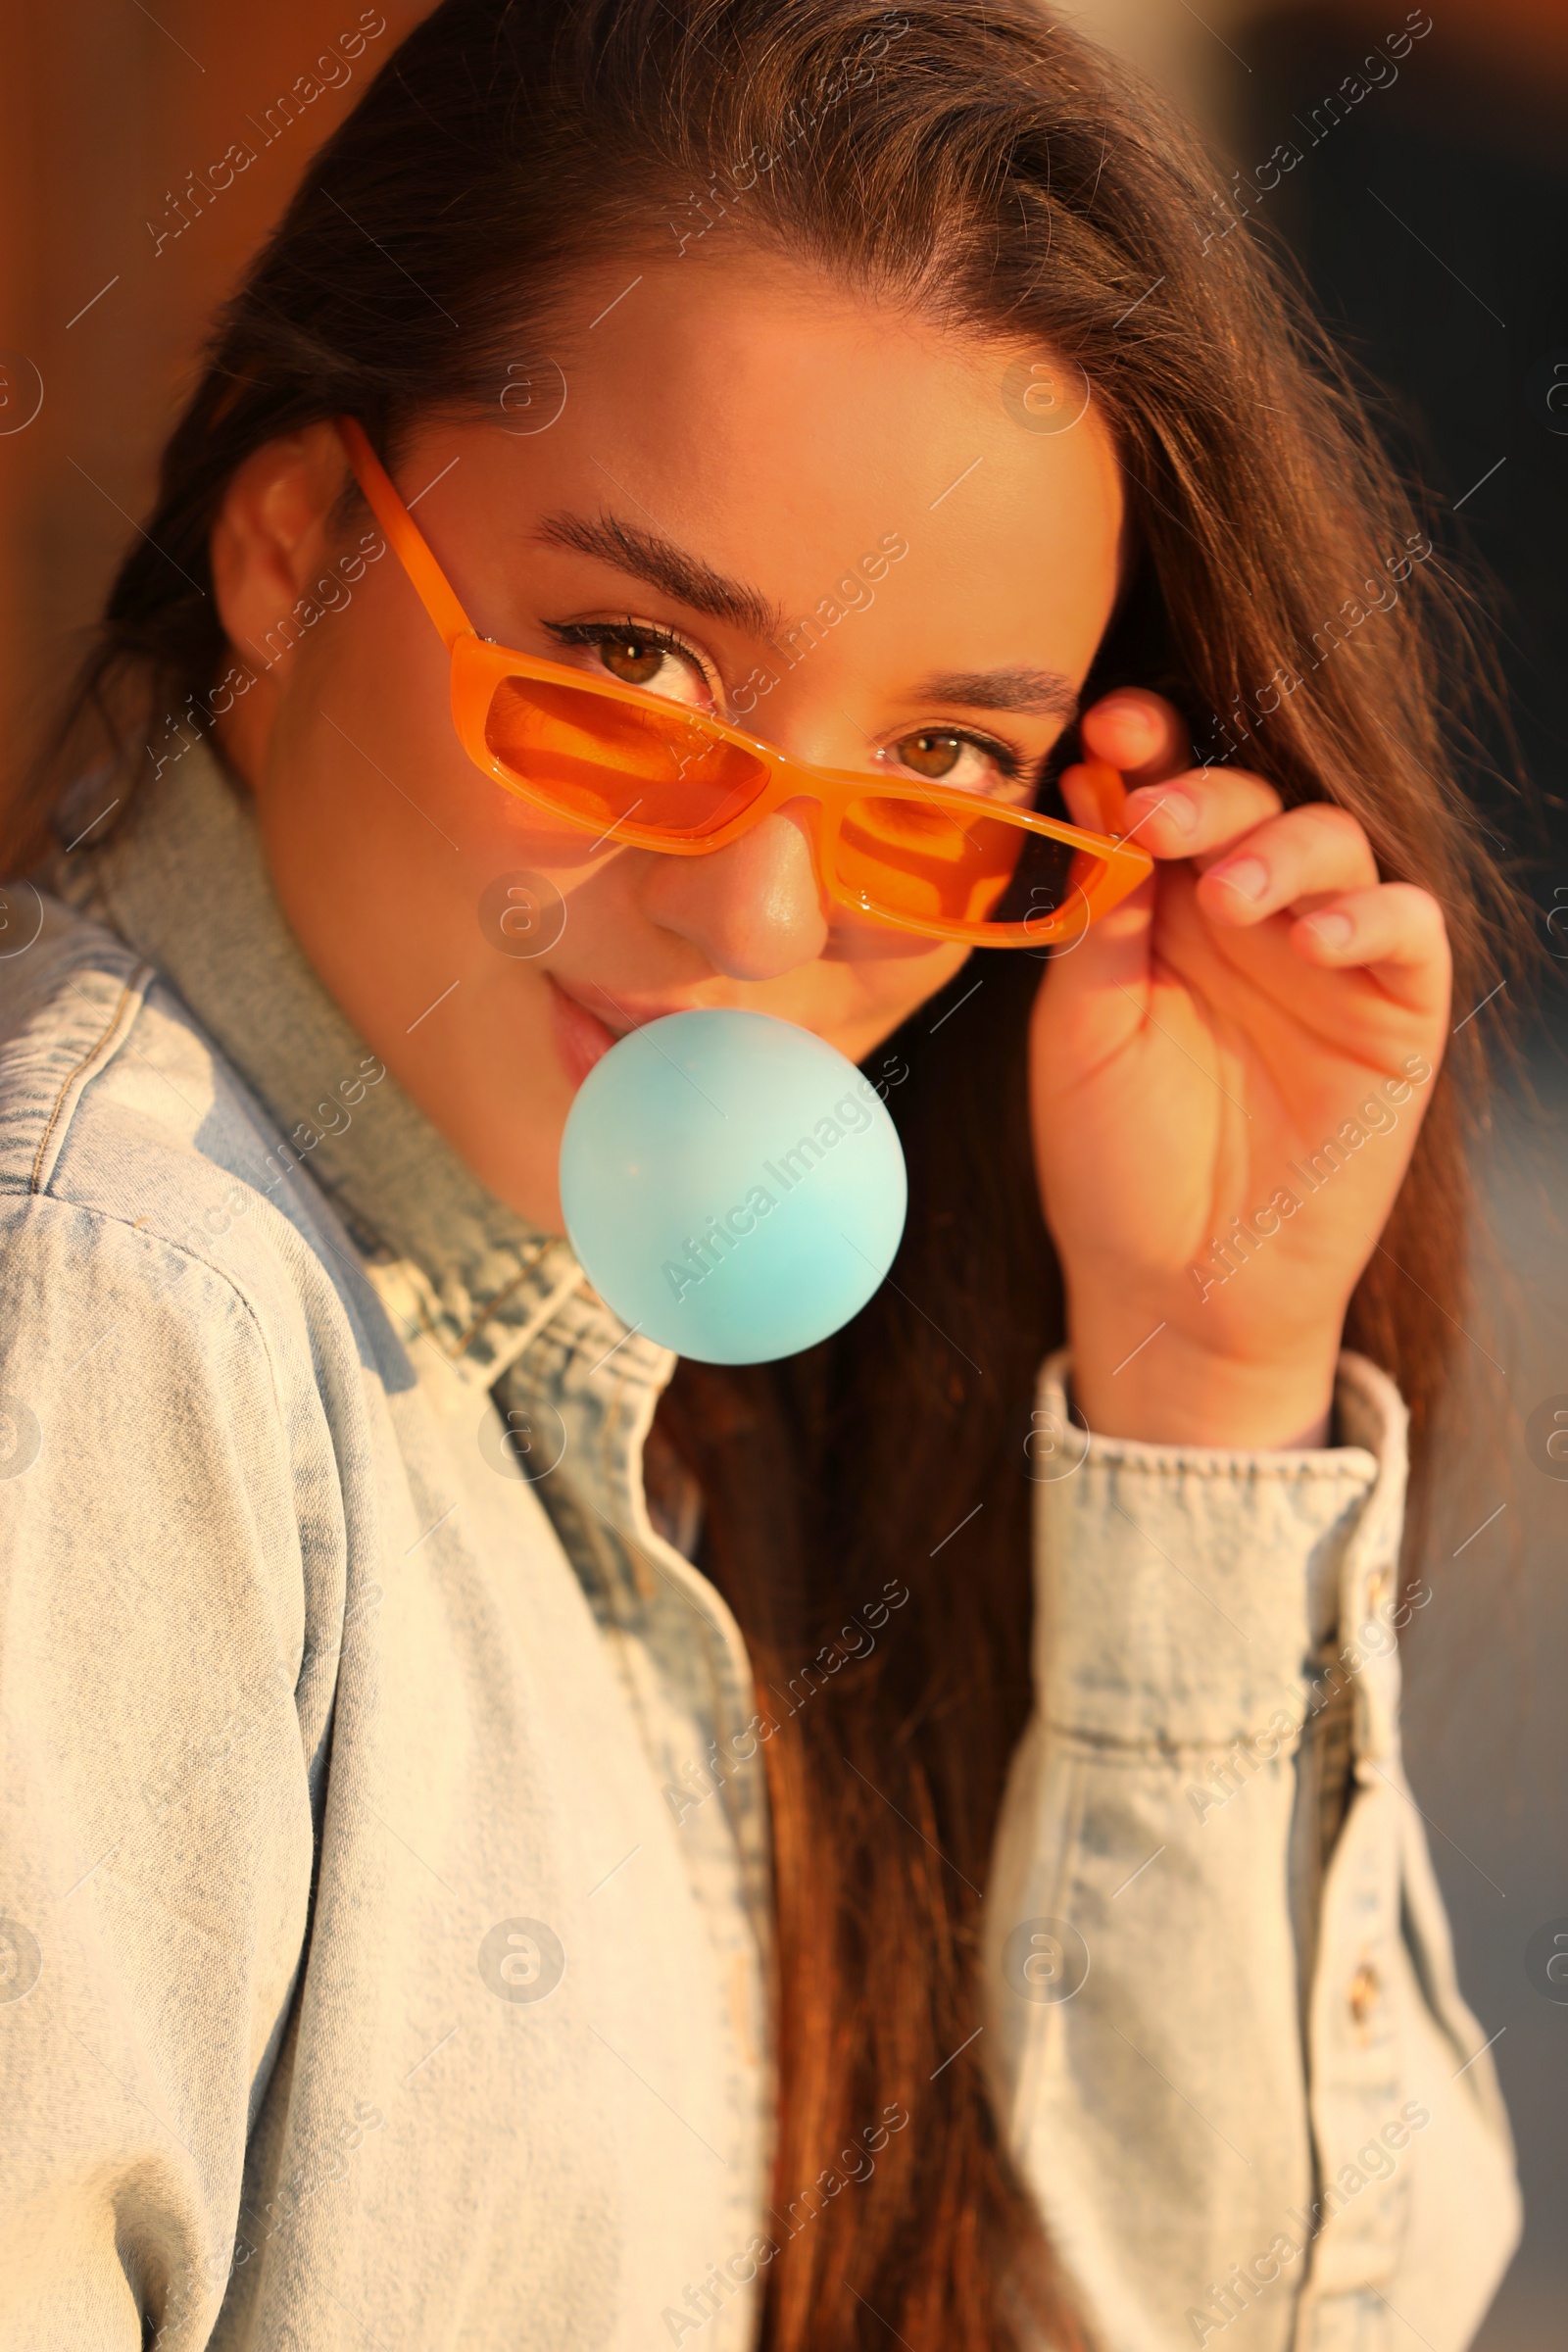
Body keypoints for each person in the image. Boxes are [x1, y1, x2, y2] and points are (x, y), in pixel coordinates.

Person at [0, 2, 1522, 2346]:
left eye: (934, 758)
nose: (762, 919)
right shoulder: (115, 1322)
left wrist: (1200, 1385)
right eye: (629, 668)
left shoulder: (693, 1378)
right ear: (294, 547)